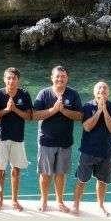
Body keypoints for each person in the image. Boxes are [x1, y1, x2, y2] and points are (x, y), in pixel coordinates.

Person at [33, 65, 83, 212]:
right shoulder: (43, 94)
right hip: (46, 141)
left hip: (65, 141)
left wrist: (64, 111)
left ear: (67, 78)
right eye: (57, 76)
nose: (60, 79)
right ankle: (43, 200)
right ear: (52, 77)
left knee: (61, 173)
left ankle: (59, 201)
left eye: (63, 76)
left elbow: (80, 116)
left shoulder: (73, 94)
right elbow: (35, 115)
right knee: (45, 173)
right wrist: (54, 110)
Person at [72, 81, 111, 215]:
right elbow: (87, 126)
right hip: (88, 151)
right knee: (82, 179)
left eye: (104, 90)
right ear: (94, 93)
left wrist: (105, 110)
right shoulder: (87, 106)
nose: (102, 91)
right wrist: (98, 110)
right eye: (99, 90)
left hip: (106, 152)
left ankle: (100, 205)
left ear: (108, 93)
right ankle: (76, 205)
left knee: (102, 181)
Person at [0, 67, 32, 210]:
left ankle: (14, 199)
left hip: (18, 137)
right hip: (1, 137)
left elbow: (29, 116)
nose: (11, 81)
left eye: (14, 78)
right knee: (0, 168)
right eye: (8, 78)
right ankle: (0, 196)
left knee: (16, 168)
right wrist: (7, 110)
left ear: (18, 80)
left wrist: (15, 110)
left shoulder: (24, 94)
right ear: (4, 79)